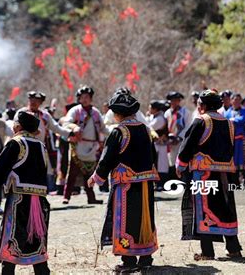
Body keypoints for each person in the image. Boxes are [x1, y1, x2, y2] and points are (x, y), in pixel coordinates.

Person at [88, 93, 159, 272]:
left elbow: (107, 158)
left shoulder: (119, 131)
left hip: (125, 185)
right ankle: (145, 257)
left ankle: (128, 261)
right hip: (145, 183)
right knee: (145, 219)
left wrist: (96, 177)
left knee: (126, 220)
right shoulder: (145, 129)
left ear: (118, 113)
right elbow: (153, 155)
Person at [0, 111, 50, 275]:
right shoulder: (41, 145)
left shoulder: (15, 143)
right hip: (39, 199)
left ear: (18, 126)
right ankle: (41, 271)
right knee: (36, 236)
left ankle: (8, 271)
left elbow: (0, 169)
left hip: (19, 199)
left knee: (13, 236)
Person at [176, 90, 242, 260]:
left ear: (203, 106)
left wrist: (181, 164)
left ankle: (207, 251)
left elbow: (188, 144)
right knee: (225, 209)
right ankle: (233, 248)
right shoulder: (228, 123)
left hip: (203, 173)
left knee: (204, 211)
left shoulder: (201, 120)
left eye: (199, 103)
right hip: (225, 173)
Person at [62, 86, 107, 204]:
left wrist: (115, 132)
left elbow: (103, 128)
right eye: (82, 97)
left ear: (91, 98)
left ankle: (91, 198)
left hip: (92, 147)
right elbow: (66, 122)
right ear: (79, 99)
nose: (85, 99)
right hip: (78, 146)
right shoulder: (75, 110)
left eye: (87, 97)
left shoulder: (96, 112)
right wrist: (75, 127)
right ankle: (66, 196)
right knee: (72, 172)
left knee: (90, 174)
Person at [164, 91, 192, 178]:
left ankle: (182, 179)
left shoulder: (185, 112)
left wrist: (179, 137)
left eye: (176, 100)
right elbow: (165, 126)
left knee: (180, 160)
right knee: (170, 160)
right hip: (170, 141)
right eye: (172, 100)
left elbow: (188, 126)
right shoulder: (167, 112)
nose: (174, 102)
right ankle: (172, 180)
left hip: (181, 140)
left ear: (179, 101)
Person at [224, 93, 245, 184]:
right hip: (231, 140)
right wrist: (234, 120)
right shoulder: (227, 112)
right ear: (231, 101)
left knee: (244, 160)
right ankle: (235, 182)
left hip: (242, 139)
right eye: (235, 100)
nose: (236, 102)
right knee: (233, 161)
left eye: (238, 100)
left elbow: (242, 120)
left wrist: (233, 120)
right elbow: (226, 121)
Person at [148, 100, 169, 189]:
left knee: (161, 165)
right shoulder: (156, 117)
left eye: (150, 107)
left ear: (155, 109)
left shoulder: (159, 118)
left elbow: (149, 127)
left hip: (161, 145)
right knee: (158, 164)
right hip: (158, 144)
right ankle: (159, 184)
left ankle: (161, 184)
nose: (149, 109)